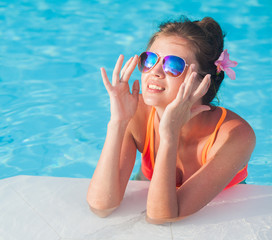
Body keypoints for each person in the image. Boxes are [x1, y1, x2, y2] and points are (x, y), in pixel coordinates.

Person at [86, 16, 256, 224]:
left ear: (202, 82)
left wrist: (169, 135)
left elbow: (162, 219)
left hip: (224, 213)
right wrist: (118, 122)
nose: (154, 72)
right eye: (150, 59)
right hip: (149, 183)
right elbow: (101, 207)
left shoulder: (234, 136)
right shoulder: (137, 112)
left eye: (173, 65)